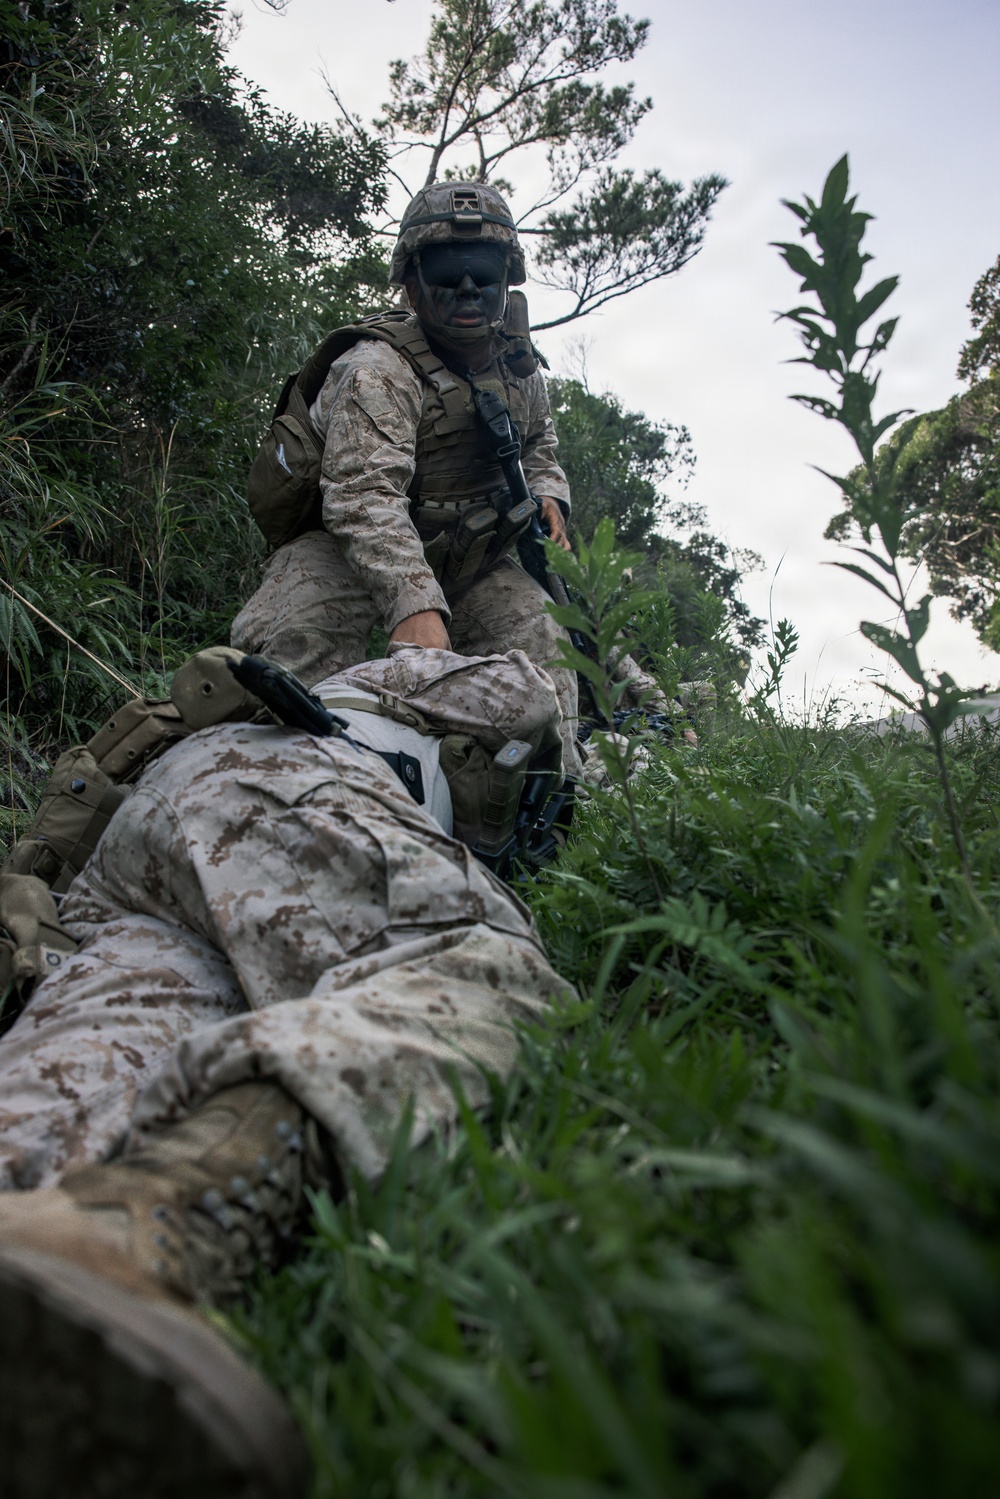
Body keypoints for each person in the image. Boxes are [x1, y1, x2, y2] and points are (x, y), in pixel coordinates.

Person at [0, 645, 573, 1499]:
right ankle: (154, 1214)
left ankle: (43, 1231)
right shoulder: (399, 684)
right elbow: (519, 691)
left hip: (140, 853)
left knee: (95, 1060)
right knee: (477, 968)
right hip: (282, 787)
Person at [231, 180, 584, 776]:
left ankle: (546, 809)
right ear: (413, 281)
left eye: (484, 271)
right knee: (291, 651)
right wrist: (414, 604)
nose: (469, 286)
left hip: (468, 555)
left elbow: (537, 443)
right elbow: (364, 498)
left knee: (548, 656)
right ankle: (268, 781)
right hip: (345, 548)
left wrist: (550, 492)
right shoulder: (376, 369)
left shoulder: (519, 368)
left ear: (508, 281)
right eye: (449, 270)